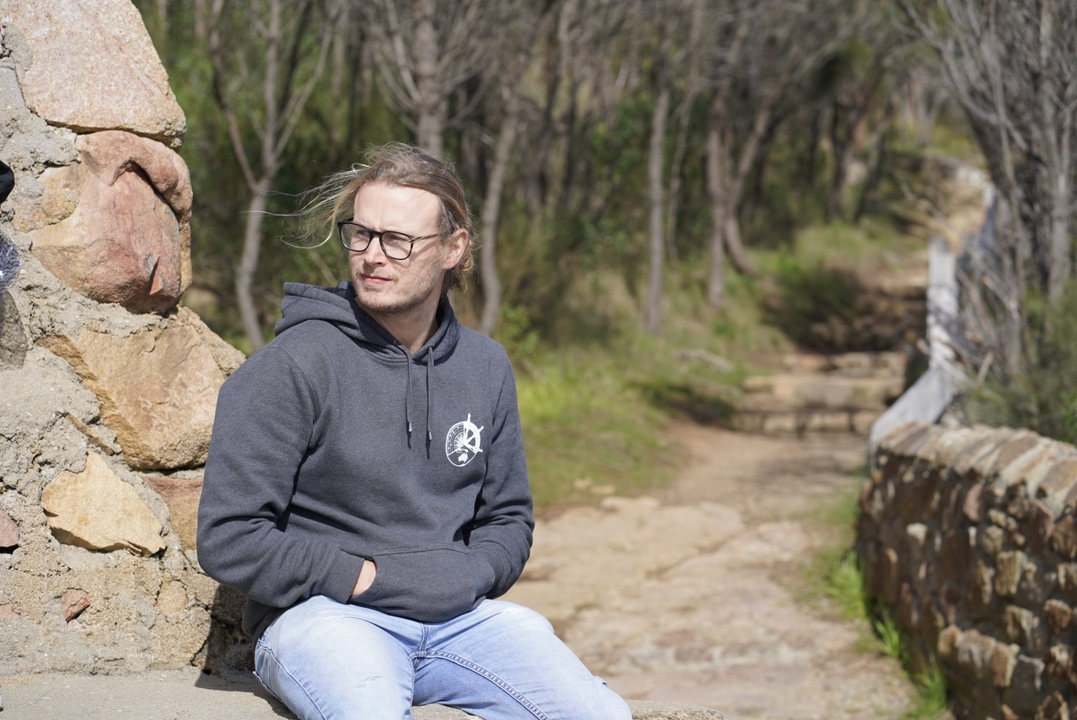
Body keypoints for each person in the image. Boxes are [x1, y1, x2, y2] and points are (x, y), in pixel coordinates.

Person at [196, 143, 632, 720]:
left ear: (454, 248)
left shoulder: (485, 365)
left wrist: (468, 576)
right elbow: (229, 536)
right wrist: (365, 578)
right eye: (361, 234)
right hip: (326, 617)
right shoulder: (291, 367)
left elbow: (507, 517)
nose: (372, 256)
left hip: (462, 622)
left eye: (397, 240)